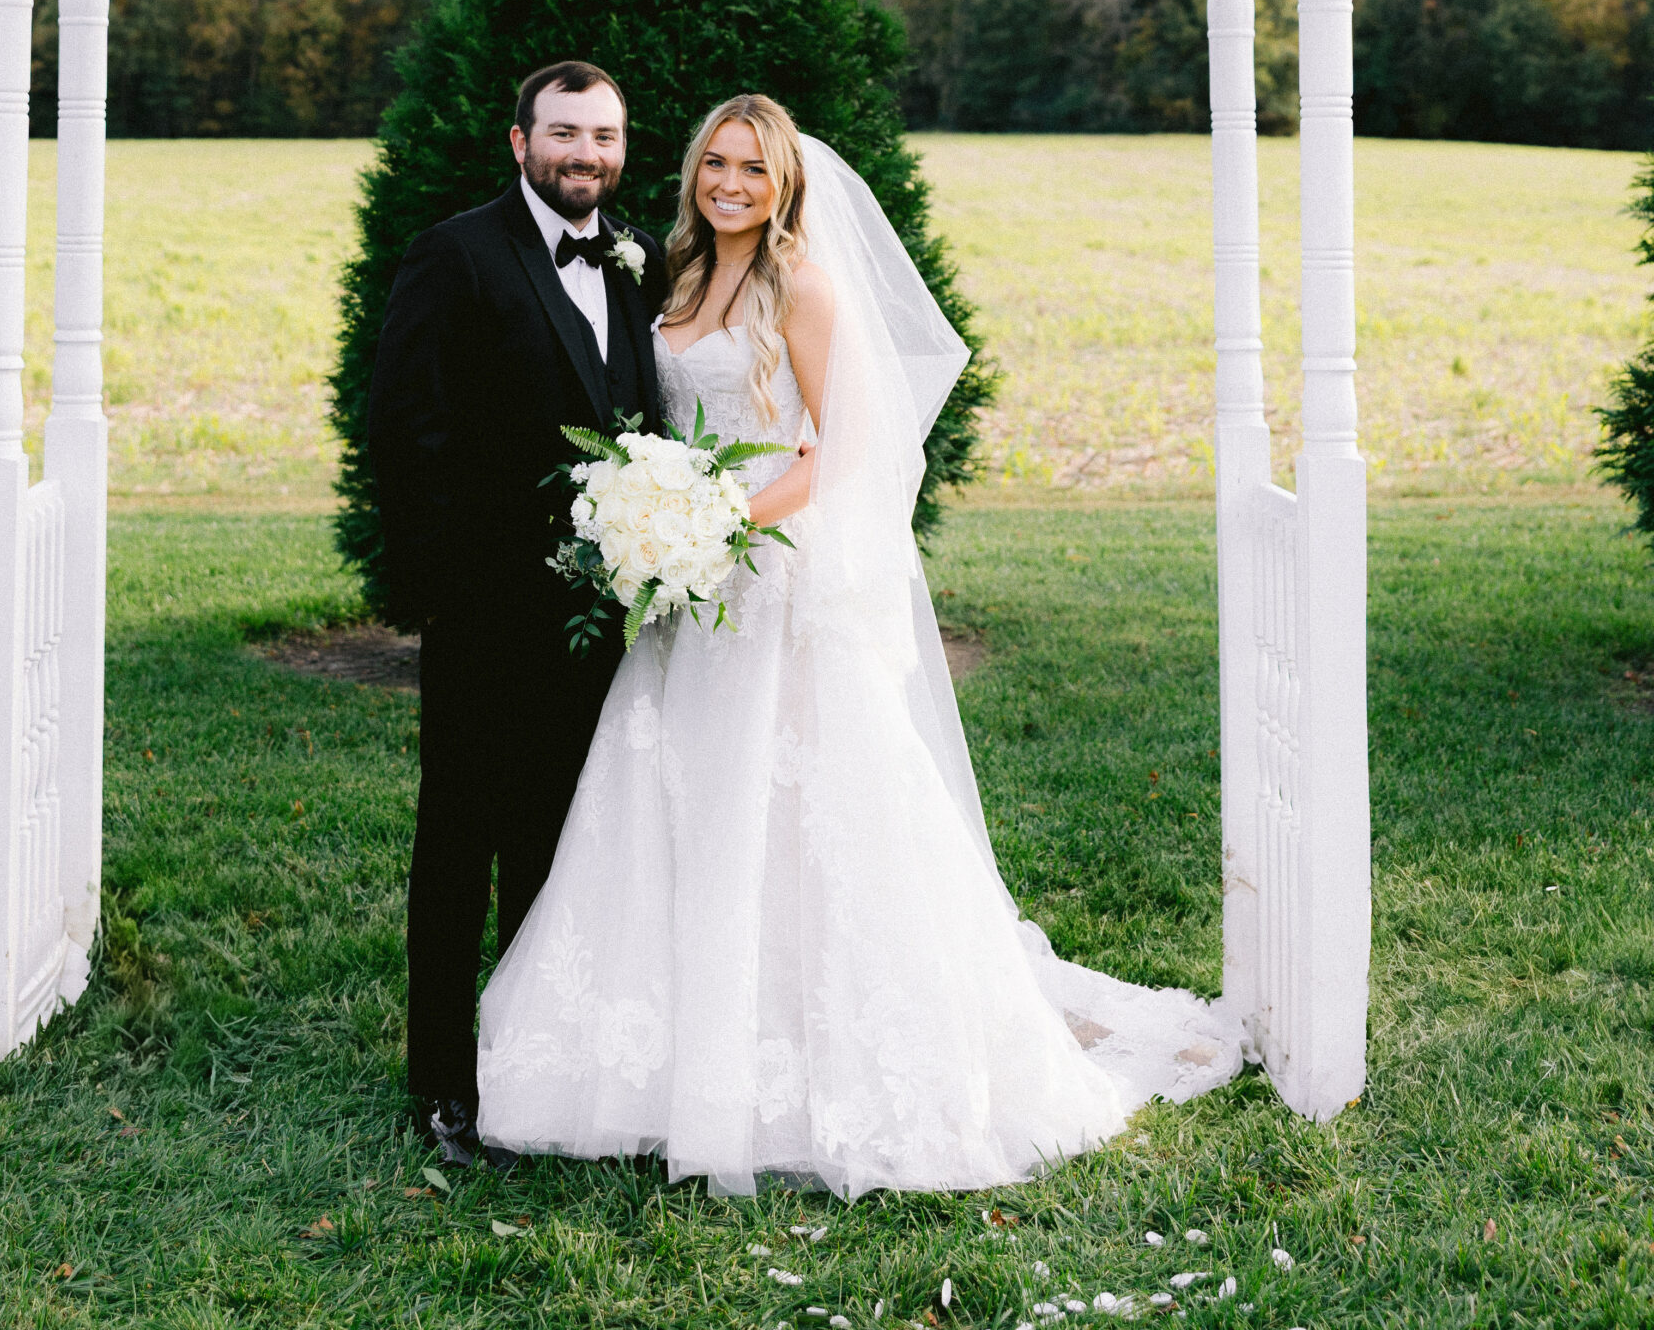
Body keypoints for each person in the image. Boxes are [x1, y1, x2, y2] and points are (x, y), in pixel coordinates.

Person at [476, 92, 1241, 1197]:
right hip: (688, 587)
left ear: (786, 184)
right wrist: (662, 514)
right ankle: (655, 1054)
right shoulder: (677, 276)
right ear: (695, 171)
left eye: (754, 169)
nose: (731, 183)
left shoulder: (805, 287)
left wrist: (721, 520)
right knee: (675, 800)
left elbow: (844, 449)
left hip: (763, 575)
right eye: (717, 164)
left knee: (793, 814)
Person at [367, 58, 669, 1170]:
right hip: (488, 621)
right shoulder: (455, 255)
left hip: (609, 629)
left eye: (604, 134)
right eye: (564, 132)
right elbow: (405, 432)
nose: (585, 153)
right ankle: (444, 1080)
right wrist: (453, 598)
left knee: (568, 846)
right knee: (461, 849)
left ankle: (544, 1065)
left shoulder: (634, 260)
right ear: (518, 140)